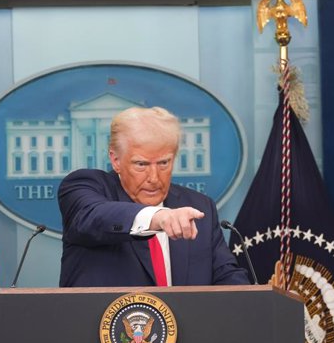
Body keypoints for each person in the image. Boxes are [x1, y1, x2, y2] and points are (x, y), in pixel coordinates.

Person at [58, 106, 250, 287]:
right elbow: (93, 217)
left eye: (164, 163)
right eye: (141, 164)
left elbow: (227, 278)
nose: (154, 177)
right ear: (116, 160)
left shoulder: (199, 207)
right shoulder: (84, 186)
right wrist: (158, 217)